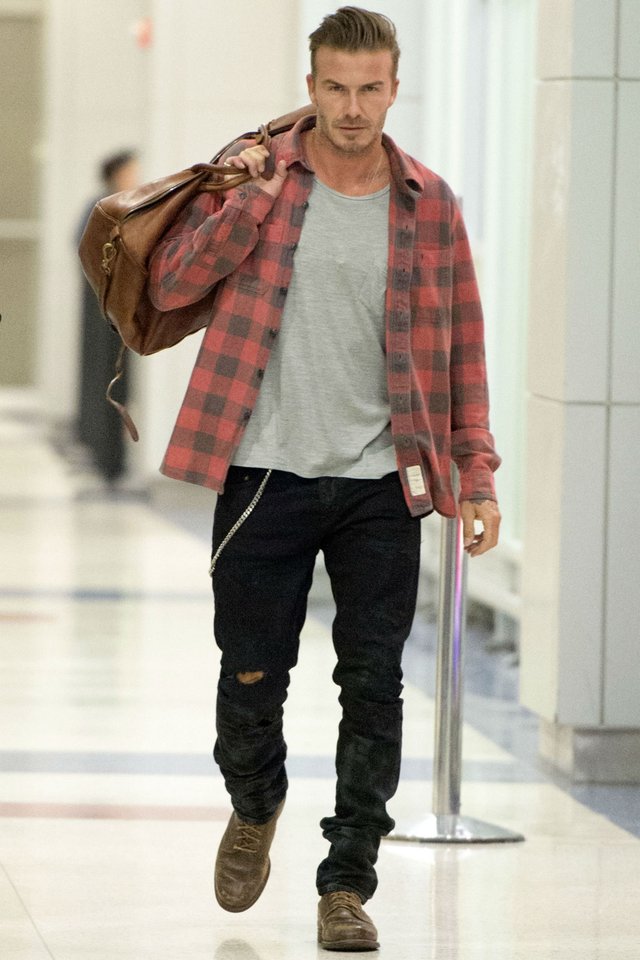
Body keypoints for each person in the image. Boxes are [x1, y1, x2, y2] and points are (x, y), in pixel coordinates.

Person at [148, 6, 501, 951]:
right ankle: (255, 801)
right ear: (311, 87)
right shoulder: (256, 178)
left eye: (369, 89)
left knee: (374, 684)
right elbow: (171, 284)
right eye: (336, 88)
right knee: (249, 676)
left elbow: (463, 350)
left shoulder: (430, 203)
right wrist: (246, 203)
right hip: (265, 470)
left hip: (384, 478)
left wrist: (476, 471)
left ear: (394, 88)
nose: (352, 107)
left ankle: (347, 882)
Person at [76, 150, 139, 484]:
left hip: (115, 311)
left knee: (113, 384)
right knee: (107, 383)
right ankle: (107, 462)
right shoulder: (106, 207)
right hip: (106, 315)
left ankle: (112, 462)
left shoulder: (116, 205)